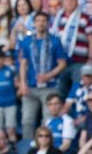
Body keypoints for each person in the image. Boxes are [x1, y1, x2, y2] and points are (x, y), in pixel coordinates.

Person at [18, 12, 67, 140]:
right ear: (34, 23)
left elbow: (62, 64)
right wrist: (22, 83)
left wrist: (48, 75)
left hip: (49, 86)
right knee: (27, 120)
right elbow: (23, 63)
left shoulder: (55, 41)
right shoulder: (27, 41)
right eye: (38, 20)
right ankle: (27, 148)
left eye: (43, 21)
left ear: (48, 23)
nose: (40, 23)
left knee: (47, 119)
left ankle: (47, 147)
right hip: (31, 86)